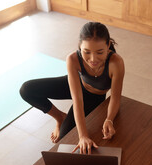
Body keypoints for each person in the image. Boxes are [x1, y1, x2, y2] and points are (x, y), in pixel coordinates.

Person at [20, 22, 125, 154]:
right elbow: (77, 101)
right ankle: (59, 117)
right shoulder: (73, 59)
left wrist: (109, 119)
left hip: (94, 96)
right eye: (86, 52)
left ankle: (64, 123)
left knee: (64, 138)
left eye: (100, 52)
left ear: (108, 45)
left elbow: (115, 98)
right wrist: (83, 136)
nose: (93, 59)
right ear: (80, 47)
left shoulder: (116, 63)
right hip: (75, 84)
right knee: (26, 90)